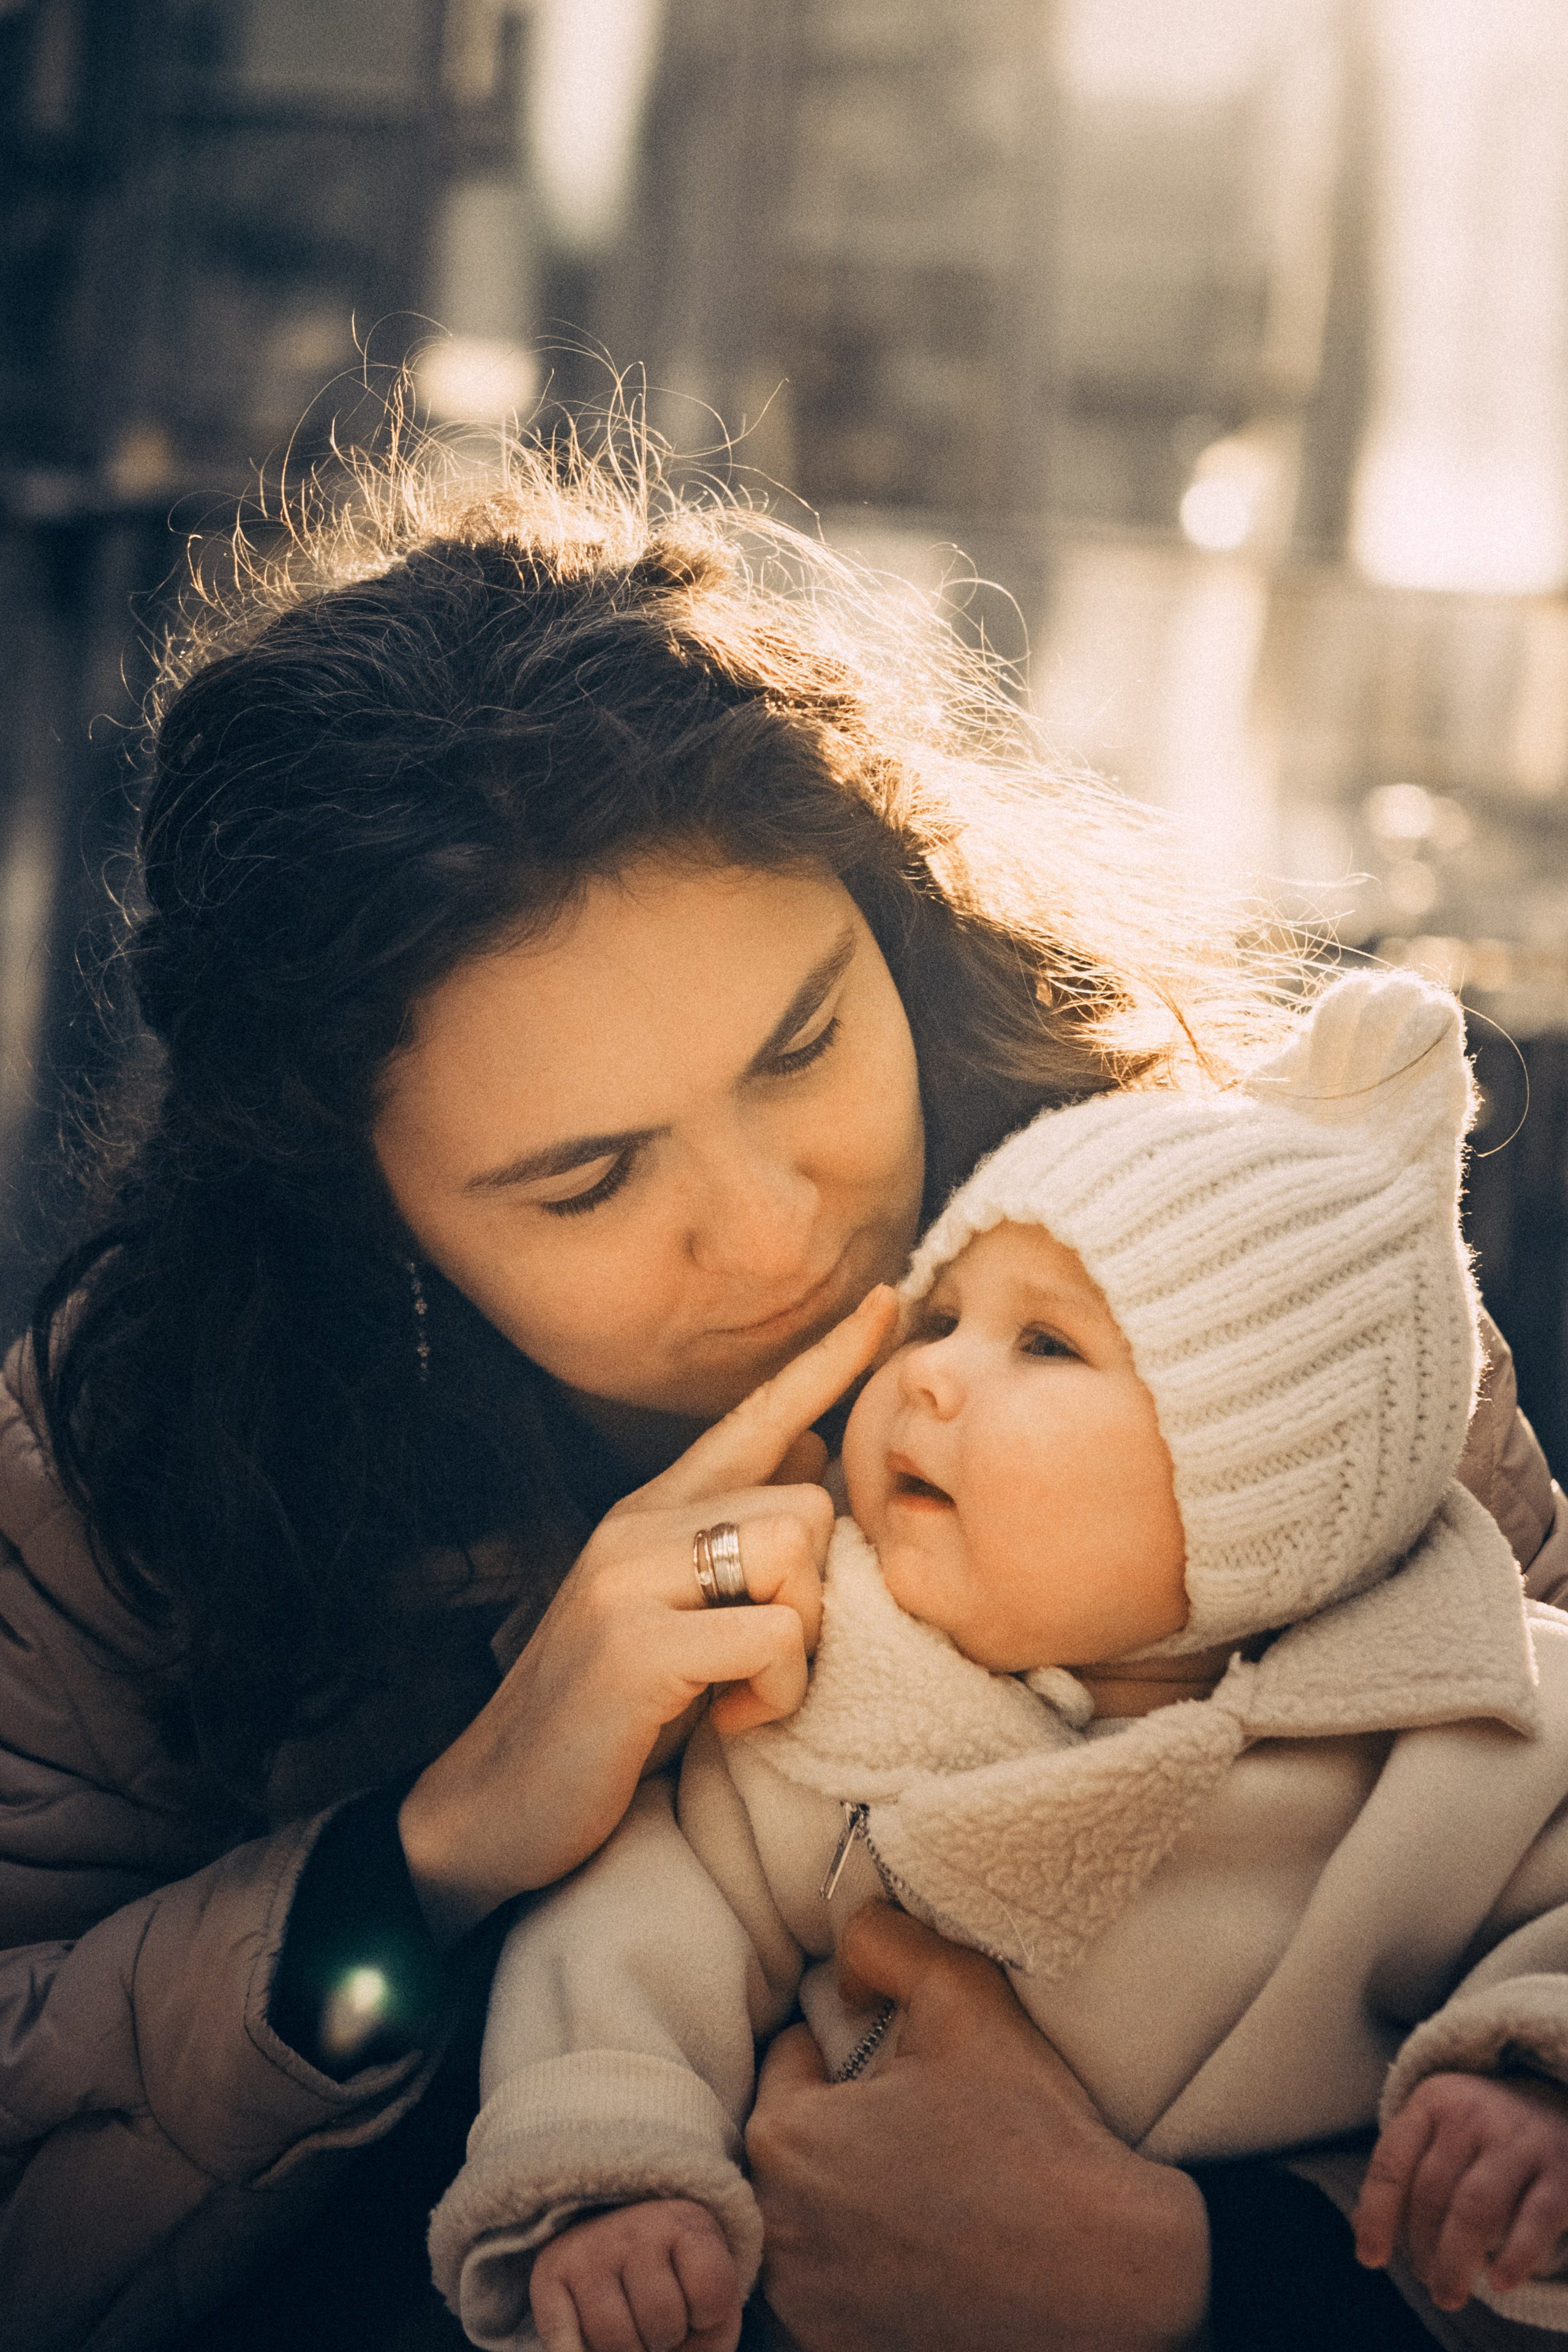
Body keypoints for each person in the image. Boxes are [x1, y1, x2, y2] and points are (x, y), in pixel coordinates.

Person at [0, 423, 1561, 2352]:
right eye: (587, 1178)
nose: (767, 1237)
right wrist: (439, 1850)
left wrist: (1199, 2287)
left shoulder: (1285, 1297)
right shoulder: (136, 1453)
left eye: (807, 1043)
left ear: (896, 911)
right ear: (355, 1204)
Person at [431, 968, 1568, 2352]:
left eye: (1042, 1342)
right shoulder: (818, 1687)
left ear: (1261, 1490)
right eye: (938, 1315)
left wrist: (1526, 2076)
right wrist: (611, 2173)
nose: (926, 1374)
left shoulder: (1480, 1718)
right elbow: (638, 1929)